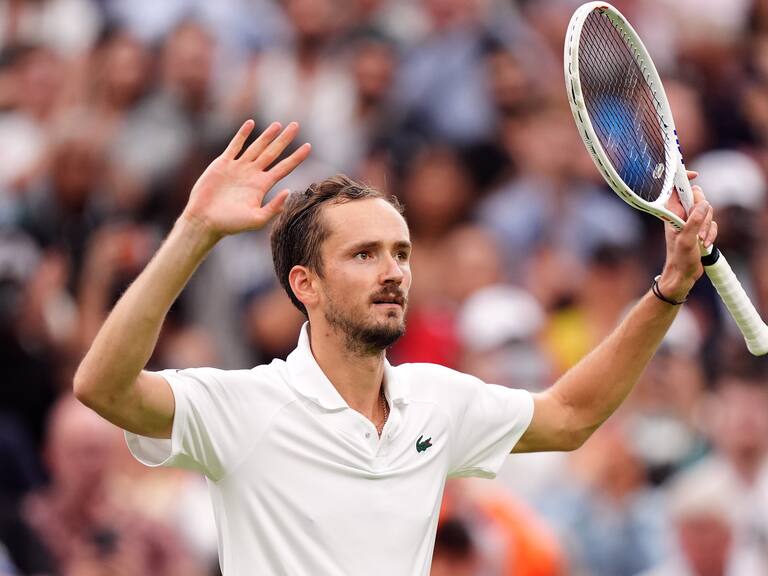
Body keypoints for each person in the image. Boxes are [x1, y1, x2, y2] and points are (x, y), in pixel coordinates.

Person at [73, 120, 717, 575]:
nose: (393, 273)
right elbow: (102, 387)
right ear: (305, 284)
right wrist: (194, 231)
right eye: (364, 255)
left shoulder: (435, 399)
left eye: (401, 253)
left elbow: (571, 415)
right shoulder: (243, 405)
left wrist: (669, 288)